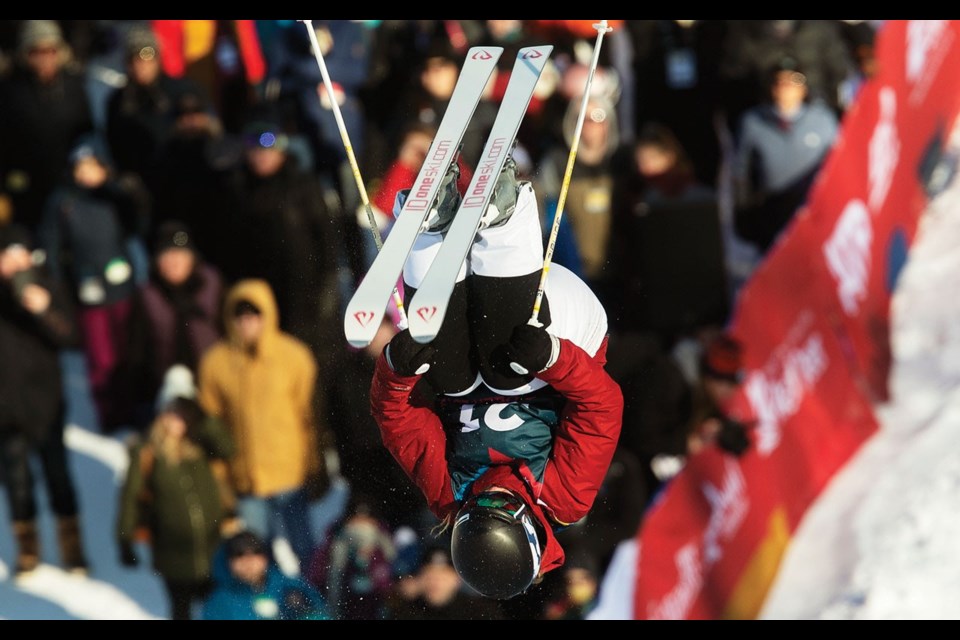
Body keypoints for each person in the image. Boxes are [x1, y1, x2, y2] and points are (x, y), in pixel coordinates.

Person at [369, 156, 623, 600]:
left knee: (448, 375)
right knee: (505, 372)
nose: (485, 494)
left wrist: (397, 368)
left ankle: (431, 226)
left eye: (477, 505)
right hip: (559, 331)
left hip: (480, 346)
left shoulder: (450, 495)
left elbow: (400, 424)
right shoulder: (563, 497)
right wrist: (552, 358)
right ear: (521, 519)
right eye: (498, 503)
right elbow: (601, 407)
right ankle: (505, 218)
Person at [196, 278, 334, 574]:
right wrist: (220, 475)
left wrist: (315, 465)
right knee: (257, 552)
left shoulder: (293, 356)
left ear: (267, 314)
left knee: (304, 549)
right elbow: (211, 425)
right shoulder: (216, 363)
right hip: (246, 479)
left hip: (290, 475)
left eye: (254, 314)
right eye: (240, 315)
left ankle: (312, 606)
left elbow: (310, 417)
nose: (247, 322)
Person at [36, 135, 151, 431]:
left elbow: (137, 225)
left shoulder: (115, 196)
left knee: (129, 351)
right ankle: (109, 414)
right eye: (80, 167)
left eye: (93, 166)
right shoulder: (63, 202)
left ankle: (134, 409)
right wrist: (59, 284)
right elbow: (50, 246)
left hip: (123, 286)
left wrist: (135, 198)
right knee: (101, 357)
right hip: (88, 291)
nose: (86, 173)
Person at [0, 222, 89, 576]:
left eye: (20, 257)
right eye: (7, 258)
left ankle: (73, 549)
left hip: (46, 404)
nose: (15, 266)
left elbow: (71, 338)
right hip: (6, 408)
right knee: (17, 482)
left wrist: (43, 309)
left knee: (58, 477)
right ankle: (28, 551)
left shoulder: (48, 286)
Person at [115, 370, 236, 620]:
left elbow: (228, 449)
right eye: (171, 413)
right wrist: (124, 539)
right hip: (173, 554)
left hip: (211, 546)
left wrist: (203, 416)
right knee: (181, 610)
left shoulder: (200, 443)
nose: (176, 421)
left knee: (219, 608)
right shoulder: (147, 452)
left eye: (183, 414)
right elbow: (131, 497)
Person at [121, 219, 224, 431]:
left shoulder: (213, 286)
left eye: (180, 255)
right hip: (164, 396)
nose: (174, 262)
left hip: (213, 388)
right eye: (167, 255)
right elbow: (136, 351)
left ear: (192, 258)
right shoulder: (147, 296)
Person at [732, 55, 840, 256]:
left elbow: (838, 168)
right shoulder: (752, 122)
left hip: (813, 216)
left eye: (794, 81)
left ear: (804, 87)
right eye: (779, 81)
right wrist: (743, 216)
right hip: (771, 217)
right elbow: (740, 174)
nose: (786, 87)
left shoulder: (823, 120)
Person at [0, 20, 94, 232]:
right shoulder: (10, 92)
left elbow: (88, 132)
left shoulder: (75, 86)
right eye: (37, 51)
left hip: (70, 185)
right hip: (25, 187)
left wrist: (85, 159)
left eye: (50, 50)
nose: (45, 58)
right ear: (26, 54)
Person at [201, 529, 330, 620]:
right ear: (228, 562)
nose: (249, 561)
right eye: (239, 554)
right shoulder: (220, 602)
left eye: (255, 552)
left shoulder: (287, 586)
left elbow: (319, 610)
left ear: (265, 558)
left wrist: (304, 607)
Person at [305, 494, 397, 620]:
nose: (361, 527)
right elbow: (316, 580)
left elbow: (397, 582)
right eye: (356, 521)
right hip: (340, 610)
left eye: (367, 521)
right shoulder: (334, 546)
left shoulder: (386, 548)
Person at [387, 546, 505, 620]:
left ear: (457, 579)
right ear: (420, 578)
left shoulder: (479, 612)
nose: (435, 581)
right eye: (429, 575)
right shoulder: (407, 612)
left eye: (443, 575)